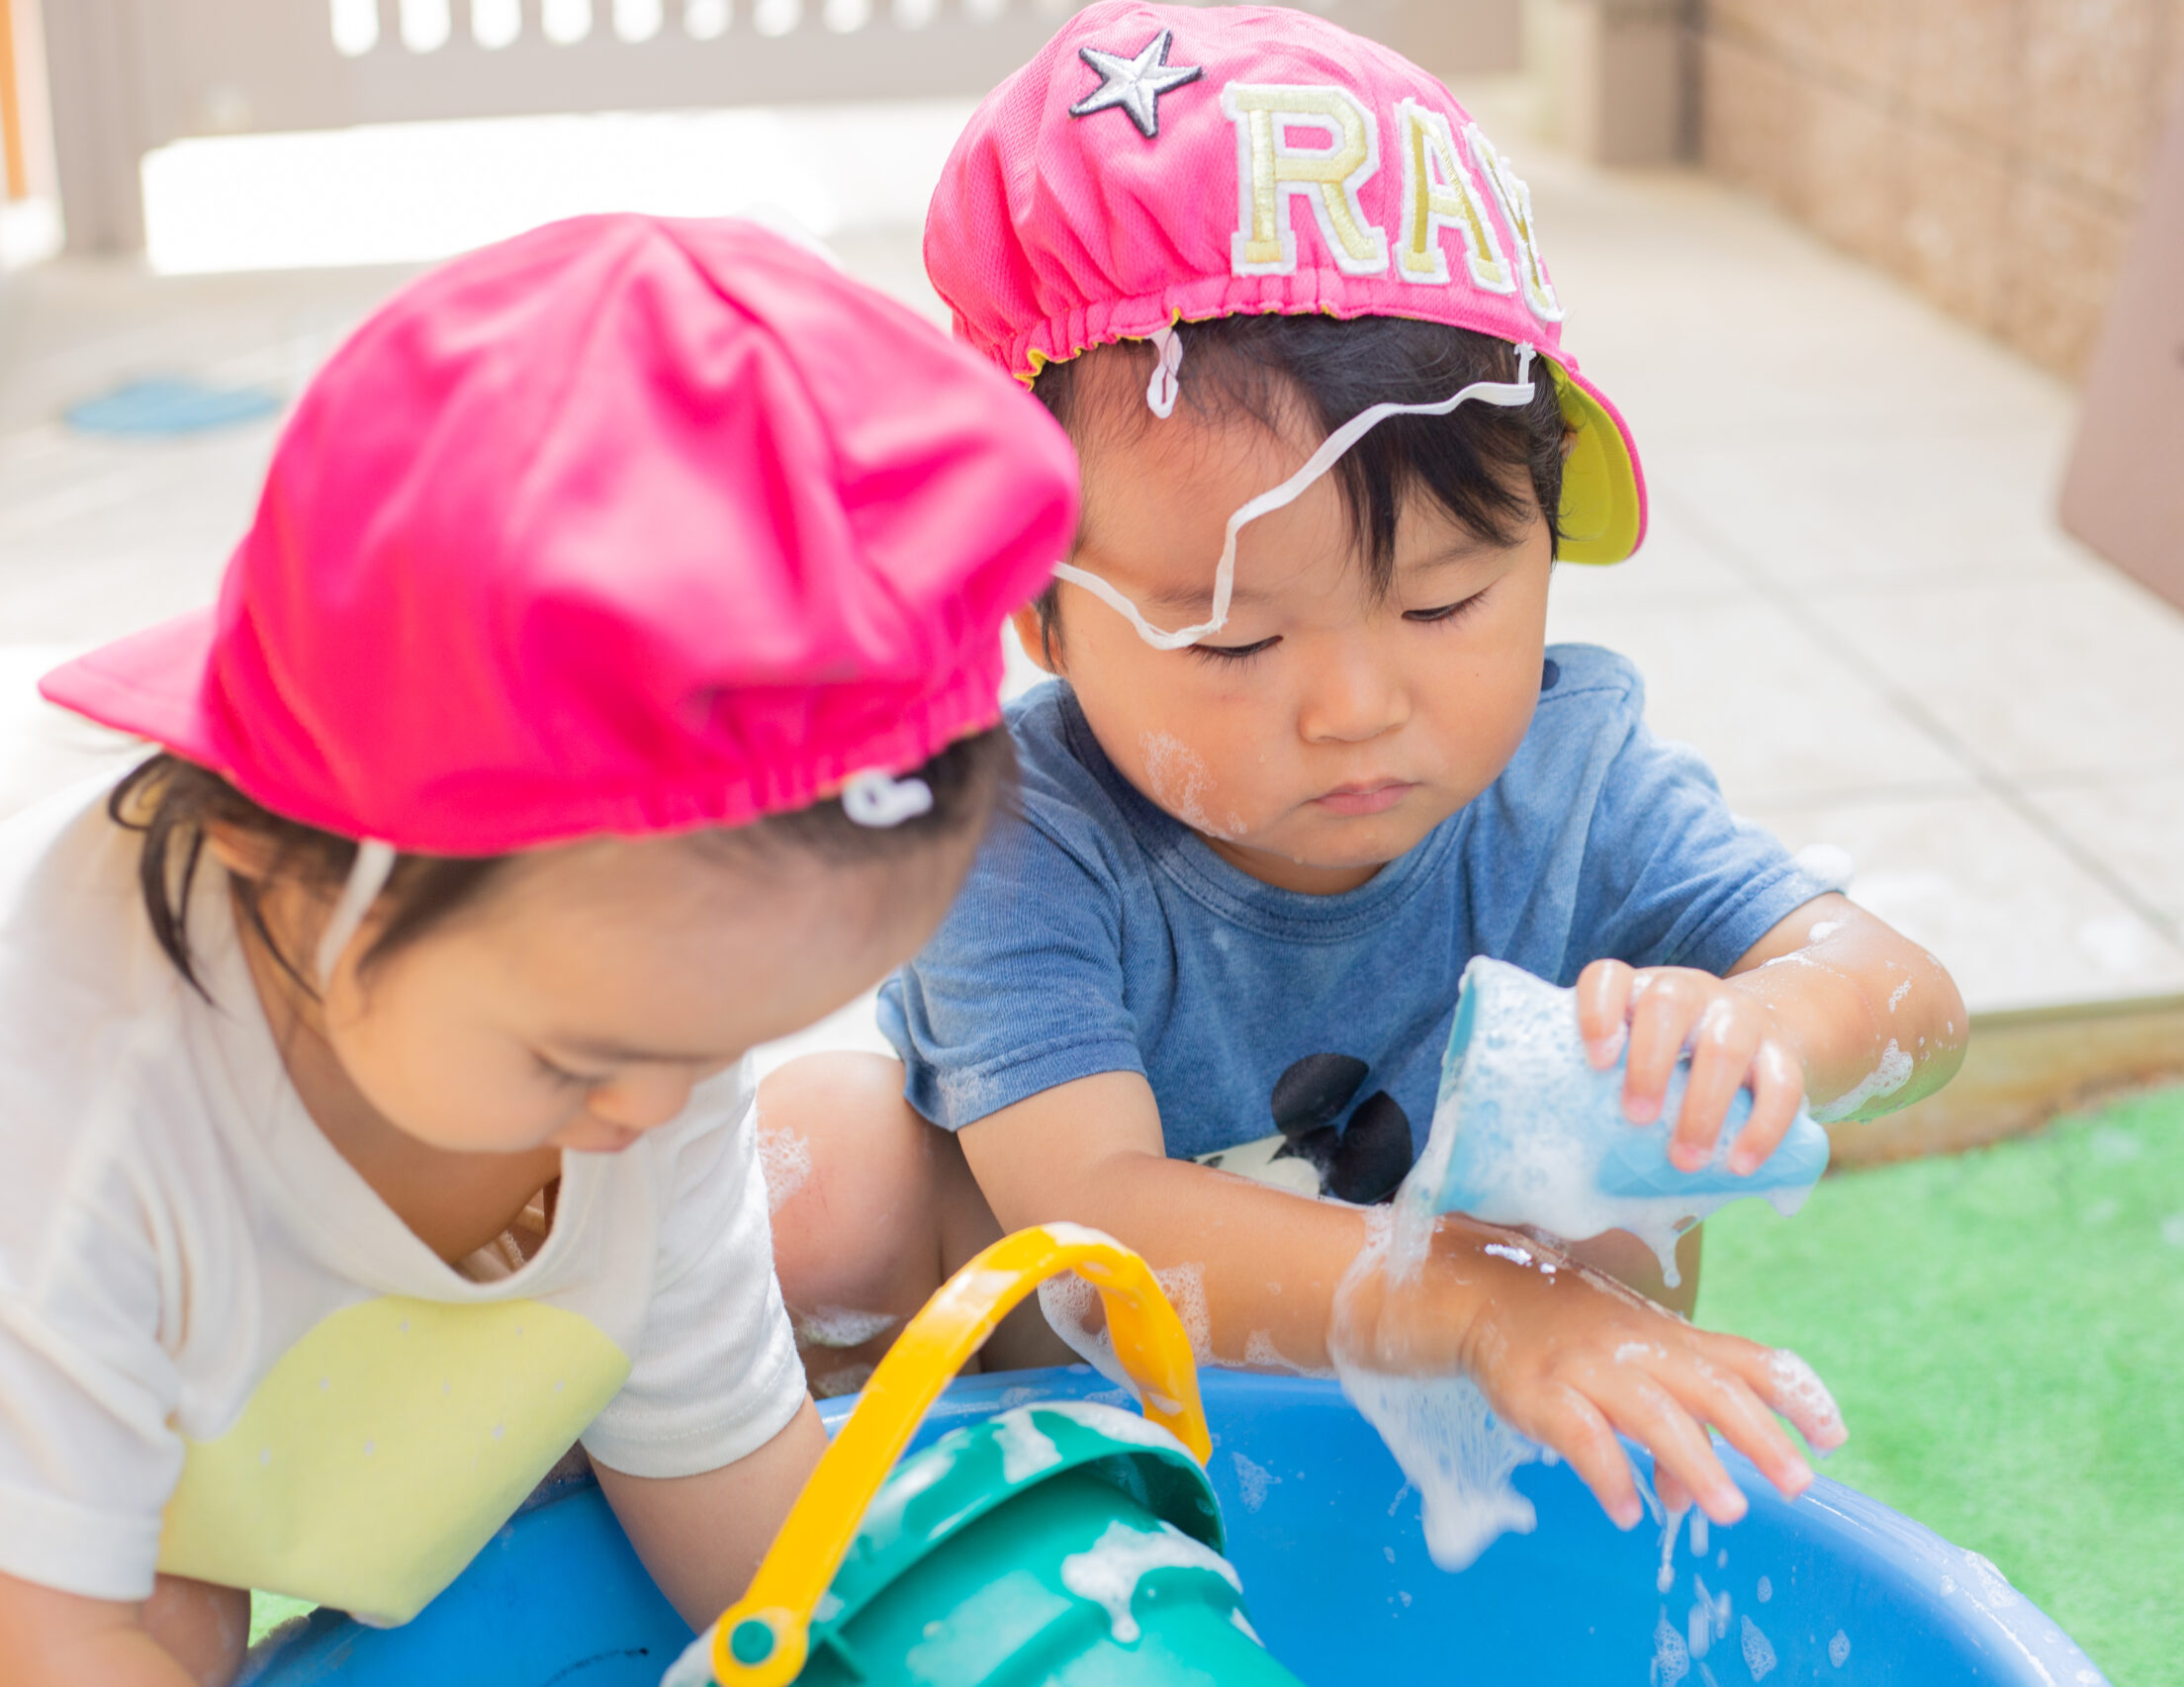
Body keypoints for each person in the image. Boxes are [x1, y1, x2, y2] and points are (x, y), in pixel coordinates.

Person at [771, 1, 1968, 1536]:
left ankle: (1545, 1537)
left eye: (1445, 601)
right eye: (1232, 640)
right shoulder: (1021, 833)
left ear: (1546, 537)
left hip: (1452, 1431)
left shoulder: (1566, 772)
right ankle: (704, 1485)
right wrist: (1472, 1297)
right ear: (1038, 610)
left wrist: (1762, 1029)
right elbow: (1101, 1221)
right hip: (1063, 1411)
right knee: (825, 1163)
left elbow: (1909, 994)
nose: (1353, 707)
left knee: (1621, 1151)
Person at [0, 214, 1077, 1686]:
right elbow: (53, 1630)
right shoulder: (85, 1111)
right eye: (581, 1059)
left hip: (261, 1416)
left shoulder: (637, 1007)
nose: (660, 1110)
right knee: (159, 1617)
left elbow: (722, 1472)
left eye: (724, 1046)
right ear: (276, 850)